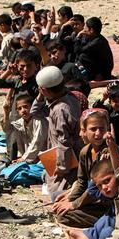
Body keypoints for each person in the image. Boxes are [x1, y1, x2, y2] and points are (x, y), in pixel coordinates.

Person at [53, 109, 112, 227]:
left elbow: (95, 189)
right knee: (56, 199)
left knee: (65, 215)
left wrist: (74, 204)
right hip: (90, 197)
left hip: (105, 200)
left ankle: (107, 221)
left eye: (102, 129)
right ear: (85, 131)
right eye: (93, 129)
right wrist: (70, 199)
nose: (98, 133)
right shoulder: (85, 152)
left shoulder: (108, 153)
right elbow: (82, 181)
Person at [31, 66, 83, 199]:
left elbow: (64, 142)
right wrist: (42, 94)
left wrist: (62, 167)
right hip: (65, 156)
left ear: (44, 90)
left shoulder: (60, 110)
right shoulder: (69, 97)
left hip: (68, 160)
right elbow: (35, 112)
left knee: (57, 195)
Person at [74, 17, 114, 82]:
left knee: (82, 57)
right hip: (97, 64)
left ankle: (92, 76)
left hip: (103, 71)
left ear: (91, 30)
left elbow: (77, 51)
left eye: (85, 27)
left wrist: (78, 36)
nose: (84, 29)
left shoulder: (98, 42)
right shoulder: (91, 37)